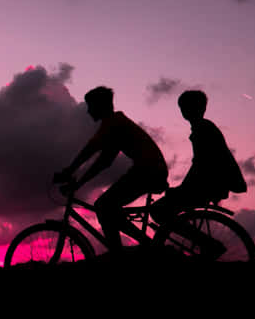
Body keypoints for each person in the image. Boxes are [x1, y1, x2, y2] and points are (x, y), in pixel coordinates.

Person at [54, 86, 169, 253]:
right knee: (107, 207)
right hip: (150, 170)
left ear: (100, 106)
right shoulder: (116, 124)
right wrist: (78, 182)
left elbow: (91, 149)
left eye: (90, 106)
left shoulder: (112, 123)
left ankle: (123, 252)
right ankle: (130, 249)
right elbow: (104, 161)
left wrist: (70, 171)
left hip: (147, 171)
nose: (88, 111)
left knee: (103, 206)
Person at [151, 90, 247, 225]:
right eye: (183, 107)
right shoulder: (203, 127)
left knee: (158, 210)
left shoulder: (202, 129)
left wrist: (182, 188)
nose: (184, 111)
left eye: (186, 107)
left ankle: (194, 238)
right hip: (211, 184)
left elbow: (202, 164)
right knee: (164, 208)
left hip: (209, 184)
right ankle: (190, 237)